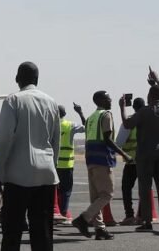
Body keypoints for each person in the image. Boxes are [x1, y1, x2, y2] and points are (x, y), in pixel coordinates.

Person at [0, 61, 60, 251]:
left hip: (19, 176)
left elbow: (5, 139)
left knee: (12, 235)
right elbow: (55, 141)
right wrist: (52, 168)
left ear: (18, 78)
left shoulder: (13, 101)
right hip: (46, 174)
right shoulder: (50, 102)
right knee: (43, 234)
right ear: (37, 79)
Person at [72, 92, 132, 240]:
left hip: (90, 159)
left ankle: (99, 229)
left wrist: (80, 113)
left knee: (96, 197)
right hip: (102, 160)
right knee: (107, 194)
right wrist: (124, 154)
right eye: (107, 98)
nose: (110, 100)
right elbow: (107, 139)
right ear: (99, 100)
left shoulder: (92, 117)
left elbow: (87, 127)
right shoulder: (106, 115)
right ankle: (83, 219)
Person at [121, 68, 159, 235]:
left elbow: (127, 124)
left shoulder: (144, 111)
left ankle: (147, 222)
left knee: (145, 187)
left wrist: (122, 108)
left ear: (150, 97)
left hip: (145, 155)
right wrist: (157, 80)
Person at [116, 97, 145, 225]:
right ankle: (143, 216)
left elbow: (119, 143)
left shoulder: (129, 122)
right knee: (145, 189)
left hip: (132, 162)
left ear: (133, 107)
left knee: (126, 188)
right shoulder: (150, 120)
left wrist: (122, 108)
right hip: (147, 161)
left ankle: (130, 216)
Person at [56, 104, 85, 221]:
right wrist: (80, 112)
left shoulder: (50, 125)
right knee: (66, 190)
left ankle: (56, 211)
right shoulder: (70, 125)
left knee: (55, 190)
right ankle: (63, 212)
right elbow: (85, 126)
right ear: (65, 114)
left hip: (54, 164)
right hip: (67, 164)